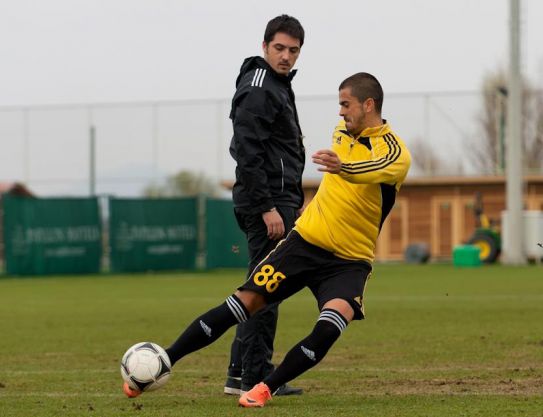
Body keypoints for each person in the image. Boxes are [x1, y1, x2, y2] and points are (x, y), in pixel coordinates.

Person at [122, 72, 411, 408]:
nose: (340, 112)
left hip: (349, 262)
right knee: (242, 304)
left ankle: (264, 388)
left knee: (330, 327)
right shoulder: (342, 132)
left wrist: (342, 167)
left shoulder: (395, 152)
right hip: (304, 243)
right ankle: (162, 362)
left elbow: (374, 169)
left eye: (345, 104)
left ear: (368, 105)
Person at [225, 14, 306, 396]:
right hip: (267, 205)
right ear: (264, 47)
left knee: (260, 286)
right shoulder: (261, 86)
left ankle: (239, 373)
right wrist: (267, 206)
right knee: (266, 288)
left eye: (292, 50)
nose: (286, 56)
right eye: (279, 48)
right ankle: (256, 377)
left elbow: (278, 150)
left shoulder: (276, 84)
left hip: (279, 199)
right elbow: (247, 150)